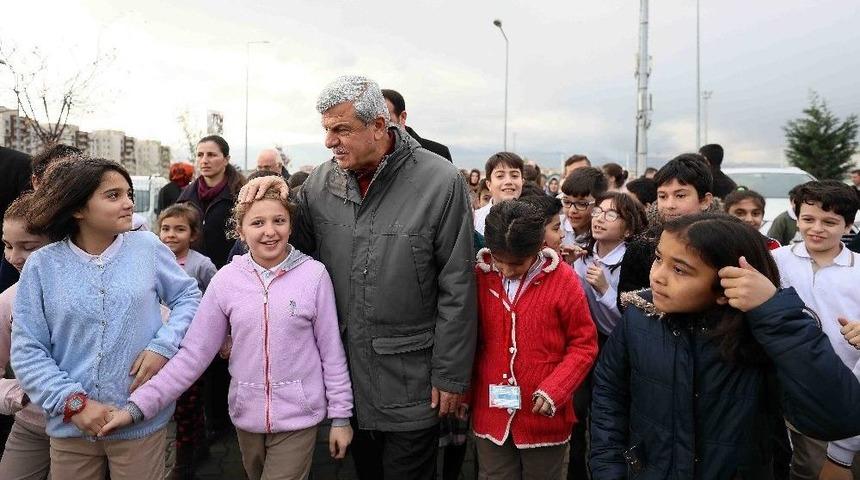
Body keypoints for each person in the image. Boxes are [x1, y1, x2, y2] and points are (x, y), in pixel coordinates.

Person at [240, 75, 476, 480]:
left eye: (341, 129)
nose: (329, 141)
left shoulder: (440, 182)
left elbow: (458, 286)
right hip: (347, 382)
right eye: (326, 129)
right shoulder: (320, 183)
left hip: (413, 382)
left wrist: (451, 375)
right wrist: (273, 199)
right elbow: (290, 255)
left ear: (379, 126)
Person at [100, 186, 354, 480]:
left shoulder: (314, 275)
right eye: (257, 223)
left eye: (279, 221)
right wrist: (138, 406)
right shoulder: (226, 281)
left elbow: (331, 353)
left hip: (300, 415)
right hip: (246, 416)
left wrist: (341, 417)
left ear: (290, 225)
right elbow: (192, 356)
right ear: (240, 231)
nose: (270, 231)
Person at [591, 213, 860, 479]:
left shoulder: (763, 334)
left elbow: (838, 418)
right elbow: (609, 395)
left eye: (680, 269)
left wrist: (775, 314)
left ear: (726, 285)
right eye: (659, 258)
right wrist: (609, 470)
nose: (658, 276)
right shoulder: (640, 317)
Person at [11, 157, 201, 480]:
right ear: (77, 208)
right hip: (71, 427)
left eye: (129, 194)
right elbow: (27, 350)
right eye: (113, 195)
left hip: (140, 421)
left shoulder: (147, 247)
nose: (129, 203)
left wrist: (163, 346)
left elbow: (188, 297)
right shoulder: (42, 266)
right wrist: (73, 404)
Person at [468, 200, 597, 480]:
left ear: (539, 247)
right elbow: (469, 341)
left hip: (543, 418)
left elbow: (584, 344)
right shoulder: (480, 276)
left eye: (516, 263)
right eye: (499, 260)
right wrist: (464, 393)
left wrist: (557, 388)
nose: (506, 270)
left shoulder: (563, 280)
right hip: (491, 412)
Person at [771, 182, 860, 479]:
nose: (817, 229)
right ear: (796, 218)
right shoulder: (776, 261)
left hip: (846, 390)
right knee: (804, 467)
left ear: (848, 225)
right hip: (792, 391)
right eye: (808, 219)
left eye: (830, 222)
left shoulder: (858, 270)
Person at [177, 135, 246, 440]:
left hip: (232, 281)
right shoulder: (186, 195)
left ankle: (229, 417)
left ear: (226, 159)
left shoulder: (239, 193)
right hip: (195, 286)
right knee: (201, 352)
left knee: (229, 352)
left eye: (212, 154)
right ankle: (209, 420)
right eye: (200, 154)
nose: (204, 160)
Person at [155, 204, 217, 478]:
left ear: (193, 235)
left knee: (187, 406)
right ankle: (199, 446)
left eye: (179, 229)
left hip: (192, 347)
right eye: (165, 229)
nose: (171, 235)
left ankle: (184, 460)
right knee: (176, 403)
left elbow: (217, 299)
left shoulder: (201, 264)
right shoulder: (154, 260)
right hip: (161, 345)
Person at [616, 154, 717, 304]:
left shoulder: (722, 244)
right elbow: (625, 301)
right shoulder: (642, 246)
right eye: (662, 196)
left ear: (705, 201)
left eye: (680, 195)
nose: (670, 205)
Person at [0, 193, 52, 480]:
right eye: (7, 245)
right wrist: (18, 396)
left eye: (28, 247)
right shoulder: (8, 301)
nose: (13, 257)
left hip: (86, 431)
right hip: (30, 427)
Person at [381, 88, 452, 161]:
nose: (379, 128)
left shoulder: (439, 153)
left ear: (402, 117)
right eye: (375, 121)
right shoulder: (373, 156)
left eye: (385, 120)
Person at [559, 167, 608, 255]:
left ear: (599, 203)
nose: (572, 210)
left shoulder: (605, 235)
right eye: (566, 202)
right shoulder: (555, 227)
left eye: (581, 204)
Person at [474, 152, 524, 236]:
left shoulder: (534, 219)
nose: (508, 181)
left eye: (514, 175)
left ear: (522, 182)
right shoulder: (475, 219)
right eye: (500, 176)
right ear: (489, 184)